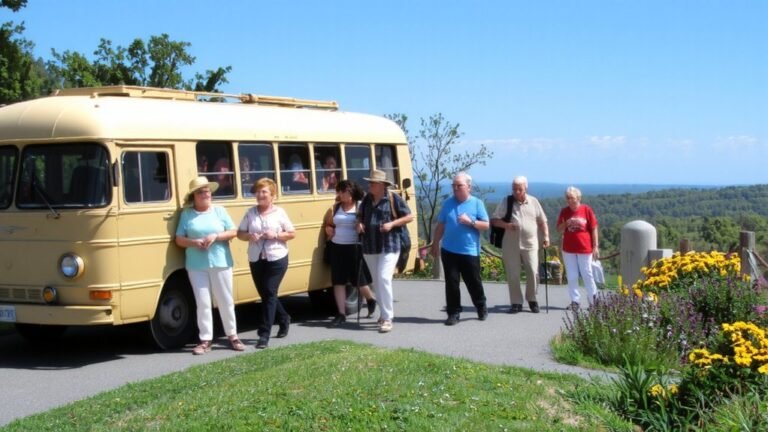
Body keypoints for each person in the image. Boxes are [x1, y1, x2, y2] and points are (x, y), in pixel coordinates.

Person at [174, 176, 244, 355]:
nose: (206, 194)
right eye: (201, 192)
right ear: (194, 196)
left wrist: (216, 236)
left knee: (225, 300)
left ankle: (233, 336)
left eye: (207, 191)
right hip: (196, 264)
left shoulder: (219, 211)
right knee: (203, 302)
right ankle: (205, 340)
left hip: (221, 261)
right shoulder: (187, 214)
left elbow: (233, 231)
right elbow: (179, 239)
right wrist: (194, 242)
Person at [237, 177, 296, 349]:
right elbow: (240, 233)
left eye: (264, 192)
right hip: (256, 258)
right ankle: (284, 318)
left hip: (277, 257)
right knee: (266, 294)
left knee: (269, 291)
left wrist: (276, 235)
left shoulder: (280, 213)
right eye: (258, 192)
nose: (260, 195)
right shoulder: (250, 213)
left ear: (272, 195)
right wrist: (249, 236)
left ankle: (264, 335)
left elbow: (292, 233)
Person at [356, 169, 413, 333]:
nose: (369, 185)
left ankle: (388, 317)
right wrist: (359, 224)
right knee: (376, 282)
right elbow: (359, 216)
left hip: (389, 245)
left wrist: (392, 224)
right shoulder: (367, 199)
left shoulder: (392, 198)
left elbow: (409, 216)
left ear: (382, 185)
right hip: (370, 245)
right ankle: (383, 314)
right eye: (369, 183)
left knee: (383, 278)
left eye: (372, 183)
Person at [431, 172, 490, 326]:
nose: (456, 188)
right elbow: (441, 225)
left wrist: (471, 222)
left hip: (469, 251)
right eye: (454, 186)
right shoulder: (448, 204)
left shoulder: (476, 203)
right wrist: (435, 243)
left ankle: (481, 305)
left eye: (459, 185)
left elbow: (486, 225)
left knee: (473, 282)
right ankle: (453, 312)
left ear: (469, 187)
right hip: (449, 250)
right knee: (452, 283)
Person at [490, 176, 550, 314]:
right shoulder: (506, 201)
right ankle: (516, 302)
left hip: (530, 243)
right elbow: (494, 220)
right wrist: (507, 225)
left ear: (526, 188)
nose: (516, 192)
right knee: (513, 274)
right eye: (514, 189)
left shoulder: (533, 201)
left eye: (519, 189)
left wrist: (546, 236)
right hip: (511, 244)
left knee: (533, 272)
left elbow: (542, 221)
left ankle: (532, 299)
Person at [324, 180, 377, 326]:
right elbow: (328, 224)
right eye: (339, 191)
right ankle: (341, 314)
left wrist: (362, 226)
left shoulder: (360, 207)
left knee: (358, 280)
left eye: (343, 191)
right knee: (338, 281)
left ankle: (370, 299)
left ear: (351, 193)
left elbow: (369, 224)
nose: (340, 194)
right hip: (337, 247)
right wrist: (329, 229)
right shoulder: (335, 207)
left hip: (354, 247)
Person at [556, 186, 599, 310]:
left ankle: (594, 301)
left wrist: (595, 246)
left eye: (572, 198)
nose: (570, 200)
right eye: (568, 198)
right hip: (568, 248)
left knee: (587, 274)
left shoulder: (586, 210)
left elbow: (594, 228)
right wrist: (566, 223)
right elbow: (558, 229)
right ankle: (575, 301)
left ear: (578, 198)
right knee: (572, 275)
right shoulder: (564, 211)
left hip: (585, 247)